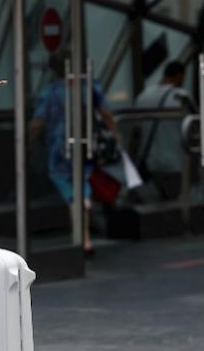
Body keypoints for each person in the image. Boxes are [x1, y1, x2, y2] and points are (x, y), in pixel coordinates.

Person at [29, 52, 118, 253]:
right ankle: (84, 205)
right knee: (82, 178)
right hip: (86, 142)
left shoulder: (50, 91)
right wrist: (115, 136)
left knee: (65, 183)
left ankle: (82, 231)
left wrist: (27, 142)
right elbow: (106, 113)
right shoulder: (89, 86)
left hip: (58, 146)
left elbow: (38, 121)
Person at [133, 60, 195, 189]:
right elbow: (194, 129)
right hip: (175, 163)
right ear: (180, 75)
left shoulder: (143, 96)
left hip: (149, 163)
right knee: (176, 198)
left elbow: (136, 129)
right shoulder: (182, 97)